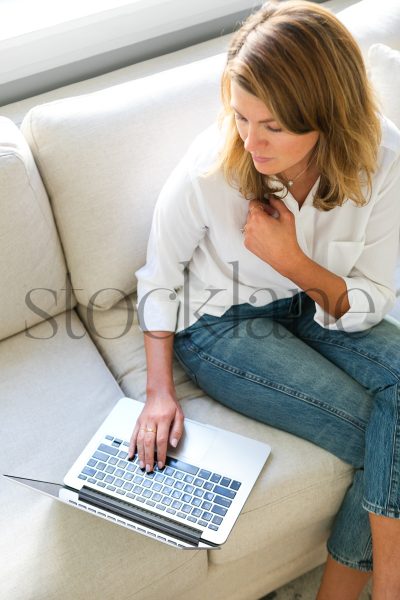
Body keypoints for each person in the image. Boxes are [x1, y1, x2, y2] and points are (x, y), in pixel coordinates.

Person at [128, 1, 400, 597]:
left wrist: (293, 262)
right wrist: (157, 392)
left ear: (329, 116)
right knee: (375, 438)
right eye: (240, 116)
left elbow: (373, 296)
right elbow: (159, 279)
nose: (250, 141)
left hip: (313, 300)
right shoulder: (212, 168)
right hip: (221, 324)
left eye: (273, 126)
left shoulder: (383, 158)